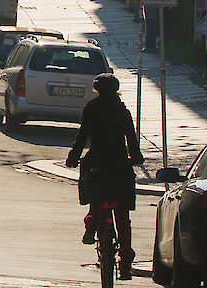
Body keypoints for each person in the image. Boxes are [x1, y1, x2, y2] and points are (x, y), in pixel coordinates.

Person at [65, 73, 143, 281]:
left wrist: (73, 156)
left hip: (97, 162)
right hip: (119, 163)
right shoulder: (122, 111)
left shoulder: (91, 108)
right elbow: (131, 137)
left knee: (95, 197)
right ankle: (125, 261)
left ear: (97, 89)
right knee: (123, 216)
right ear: (116, 90)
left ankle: (91, 225)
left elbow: (82, 136)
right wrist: (136, 157)